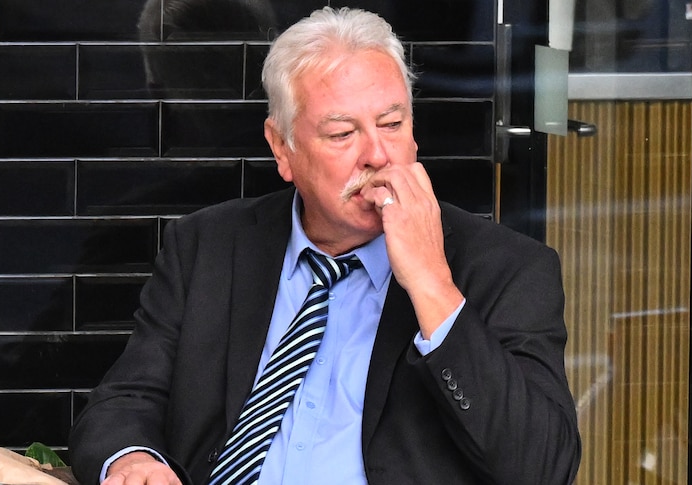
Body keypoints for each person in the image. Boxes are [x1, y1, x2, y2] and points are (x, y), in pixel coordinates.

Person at [69, 6, 581, 485]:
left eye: (392, 124)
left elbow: (542, 466)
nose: (377, 155)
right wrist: (135, 459)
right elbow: (126, 400)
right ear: (282, 149)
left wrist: (432, 286)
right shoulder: (208, 246)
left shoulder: (506, 267)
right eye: (342, 134)